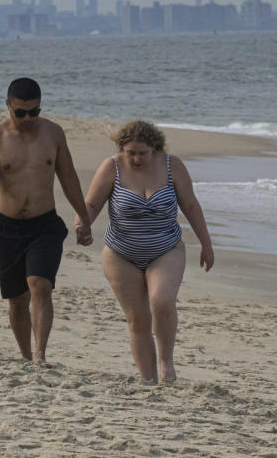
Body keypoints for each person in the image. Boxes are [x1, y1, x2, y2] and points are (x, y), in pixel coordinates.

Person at [77, 120, 213, 384]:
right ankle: (149, 381)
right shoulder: (112, 167)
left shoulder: (172, 166)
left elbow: (191, 206)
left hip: (166, 249)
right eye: (131, 153)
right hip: (120, 253)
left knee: (162, 301)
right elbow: (92, 204)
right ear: (122, 149)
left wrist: (206, 244)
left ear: (155, 149)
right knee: (137, 319)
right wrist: (82, 223)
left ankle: (166, 365)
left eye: (143, 153)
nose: (137, 159)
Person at [0, 77, 93, 366]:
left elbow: (69, 177)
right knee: (17, 300)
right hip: (7, 228)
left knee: (40, 285)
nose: (28, 118)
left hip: (45, 226)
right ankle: (26, 356)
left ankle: (40, 355)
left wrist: (85, 218)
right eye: (21, 112)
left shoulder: (53, 134)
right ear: (7, 105)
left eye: (35, 112)